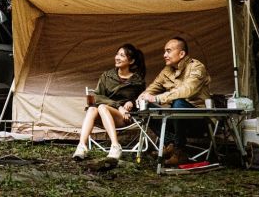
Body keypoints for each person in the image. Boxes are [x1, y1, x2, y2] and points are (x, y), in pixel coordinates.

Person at [137, 37, 211, 166]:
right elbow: (152, 88)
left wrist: (158, 98)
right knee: (146, 107)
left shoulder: (196, 67)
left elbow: (188, 90)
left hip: (198, 119)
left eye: (168, 51)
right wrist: (141, 98)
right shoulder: (167, 70)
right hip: (175, 117)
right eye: (164, 51)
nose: (164, 55)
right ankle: (170, 145)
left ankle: (180, 151)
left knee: (178, 102)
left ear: (181, 54)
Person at [73, 43, 146, 160]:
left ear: (131, 61)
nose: (117, 57)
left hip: (124, 118)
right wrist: (118, 106)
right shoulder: (107, 76)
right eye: (117, 54)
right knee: (93, 108)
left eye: (122, 55)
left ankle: (115, 146)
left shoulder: (137, 81)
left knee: (102, 107)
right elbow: (96, 97)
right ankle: (82, 146)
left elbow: (141, 99)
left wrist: (131, 102)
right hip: (105, 115)